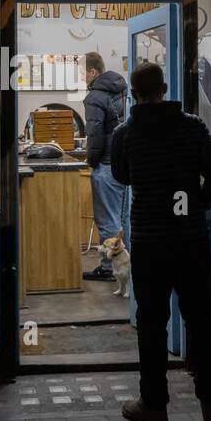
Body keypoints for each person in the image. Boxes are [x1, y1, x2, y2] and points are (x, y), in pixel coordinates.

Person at [110, 62, 211, 421]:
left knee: (151, 324)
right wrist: (198, 205)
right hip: (191, 239)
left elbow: (121, 175)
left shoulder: (125, 134)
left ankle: (154, 406)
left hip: (149, 243)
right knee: (200, 319)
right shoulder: (192, 127)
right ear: (165, 88)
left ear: (133, 93)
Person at [81, 52, 128, 281]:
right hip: (124, 165)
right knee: (123, 219)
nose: (82, 77)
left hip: (106, 165)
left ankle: (109, 268)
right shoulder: (122, 88)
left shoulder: (95, 96)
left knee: (107, 220)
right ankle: (125, 266)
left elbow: (94, 135)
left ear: (92, 72)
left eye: (82, 72)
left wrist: (91, 161)